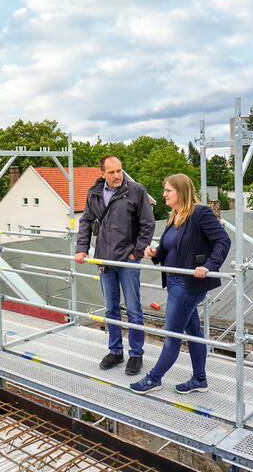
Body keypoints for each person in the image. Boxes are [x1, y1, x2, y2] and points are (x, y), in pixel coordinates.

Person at [130, 173, 231, 394]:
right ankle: (200, 379)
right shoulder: (175, 215)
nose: (164, 194)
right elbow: (171, 248)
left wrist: (210, 266)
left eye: (168, 190)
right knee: (193, 332)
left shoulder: (199, 213)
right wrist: (155, 252)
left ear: (181, 192)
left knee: (173, 335)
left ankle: (154, 378)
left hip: (189, 285)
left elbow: (223, 240)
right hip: (174, 282)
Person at [75, 155, 155, 375]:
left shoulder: (136, 191)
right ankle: (116, 352)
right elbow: (85, 222)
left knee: (133, 309)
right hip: (104, 259)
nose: (117, 175)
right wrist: (81, 248)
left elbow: (147, 225)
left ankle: (136, 355)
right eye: (111, 172)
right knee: (111, 309)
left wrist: (135, 254)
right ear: (102, 174)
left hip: (128, 261)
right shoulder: (94, 193)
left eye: (119, 170)